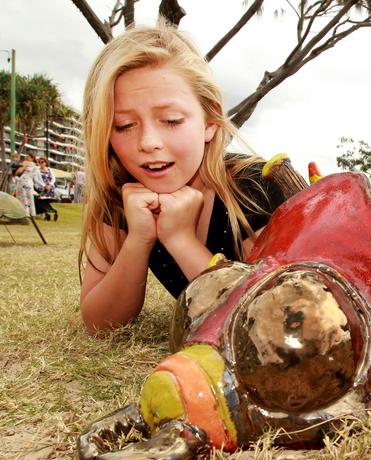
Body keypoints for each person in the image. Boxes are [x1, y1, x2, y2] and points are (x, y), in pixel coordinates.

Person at [79, 25, 285, 335]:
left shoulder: (258, 188)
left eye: (171, 120)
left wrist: (180, 239)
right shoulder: (122, 196)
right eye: (124, 126)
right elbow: (99, 324)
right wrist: (138, 240)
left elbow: (272, 320)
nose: (148, 142)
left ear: (210, 122)